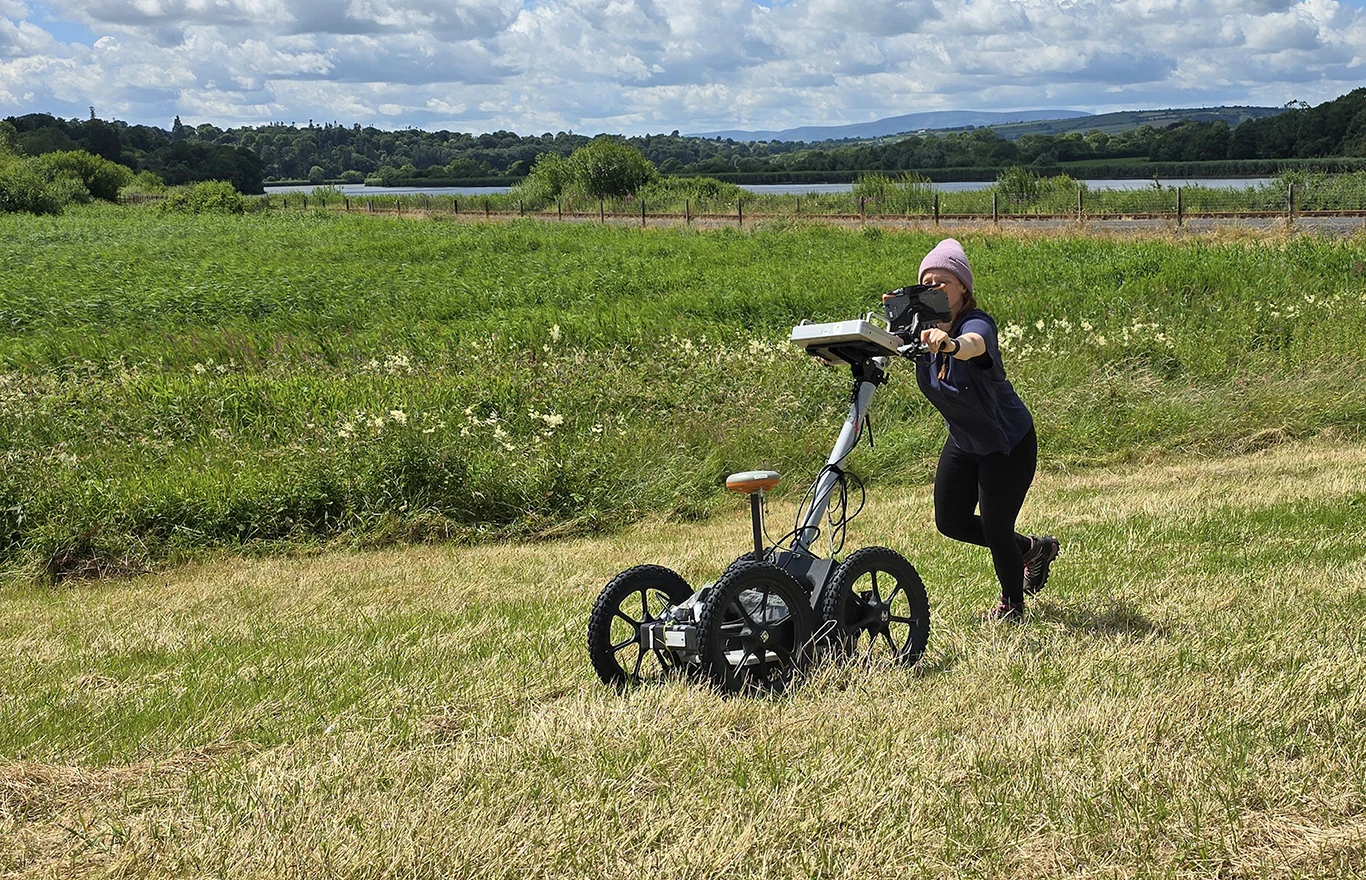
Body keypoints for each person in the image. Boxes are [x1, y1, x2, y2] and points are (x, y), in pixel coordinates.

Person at [902, 238, 1059, 620]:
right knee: (949, 521)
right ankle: (1032, 549)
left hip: (1006, 443)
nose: (934, 289)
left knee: (995, 527)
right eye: (927, 283)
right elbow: (888, 345)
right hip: (964, 441)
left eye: (943, 282)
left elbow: (975, 344)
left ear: (963, 289)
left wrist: (951, 344)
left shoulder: (976, 323)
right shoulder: (918, 330)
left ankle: (1012, 607)